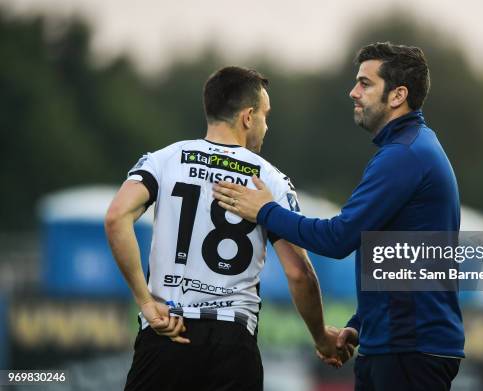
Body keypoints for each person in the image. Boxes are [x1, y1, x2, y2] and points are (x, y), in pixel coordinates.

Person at [213, 43, 464, 390]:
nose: (353, 92)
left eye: (365, 83)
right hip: (398, 343)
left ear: (398, 95)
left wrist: (266, 210)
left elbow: (338, 237)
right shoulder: (411, 148)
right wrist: (362, 323)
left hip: (409, 349)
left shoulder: (404, 155)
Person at [104, 66, 345, 391]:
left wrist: (145, 301)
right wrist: (321, 337)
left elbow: (116, 217)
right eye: (265, 115)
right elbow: (299, 272)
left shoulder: (165, 159)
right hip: (232, 345)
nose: (266, 125)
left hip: (166, 332)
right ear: (248, 117)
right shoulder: (270, 179)